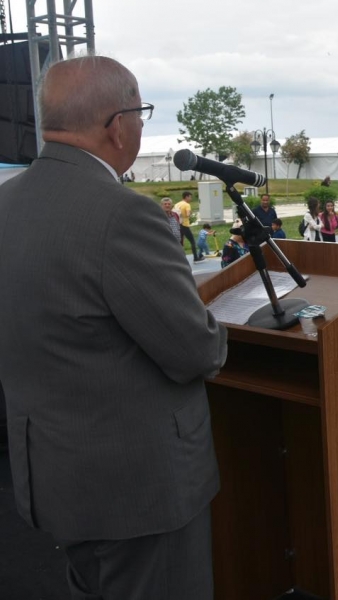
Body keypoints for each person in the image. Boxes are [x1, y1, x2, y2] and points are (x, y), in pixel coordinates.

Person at [0, 55, 228, 600]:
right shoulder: (123, 215)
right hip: (138, 493)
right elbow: (195, 352)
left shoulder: (7, 203)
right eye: (141, 114)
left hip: (54, 475)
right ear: (117, 125)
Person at [175, 191, 202, 262]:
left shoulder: (177, 204)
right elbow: (188, 214)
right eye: (190, 197)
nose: (191, 198)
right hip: (185, 225)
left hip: (178, 225)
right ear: (186, 197)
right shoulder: (187, 205)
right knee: (192, 241)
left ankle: (179, 258)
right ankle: (196, 258)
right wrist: (190, 213)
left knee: (180, 242)